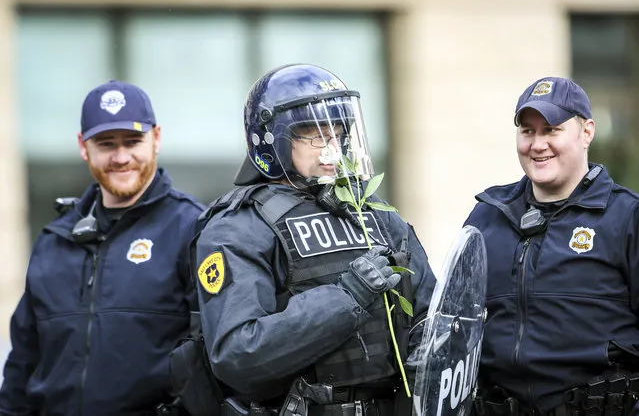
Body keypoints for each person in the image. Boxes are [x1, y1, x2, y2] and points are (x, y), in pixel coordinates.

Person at [193, 63, 436, 416]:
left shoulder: (376, 214)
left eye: (337, 132)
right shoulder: (238, 227)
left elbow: (431, 316)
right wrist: (346, 298)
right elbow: (237, 354)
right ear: (272, 139)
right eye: (313, 135)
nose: (331, 148)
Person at [0, 80, 205, 416]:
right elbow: (23, 363)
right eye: (106, 143)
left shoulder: (193, 228)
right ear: (84, 146)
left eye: (133, 141)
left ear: (156, 138)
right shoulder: (55, 241)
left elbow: (217, 361)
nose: (121, 157)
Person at [465, 77, 639, 415]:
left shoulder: (626, 216)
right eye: (527, 131)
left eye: (551, 130)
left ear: (586, 132)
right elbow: (454, 323)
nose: (537, 144)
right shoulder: (487, 216)